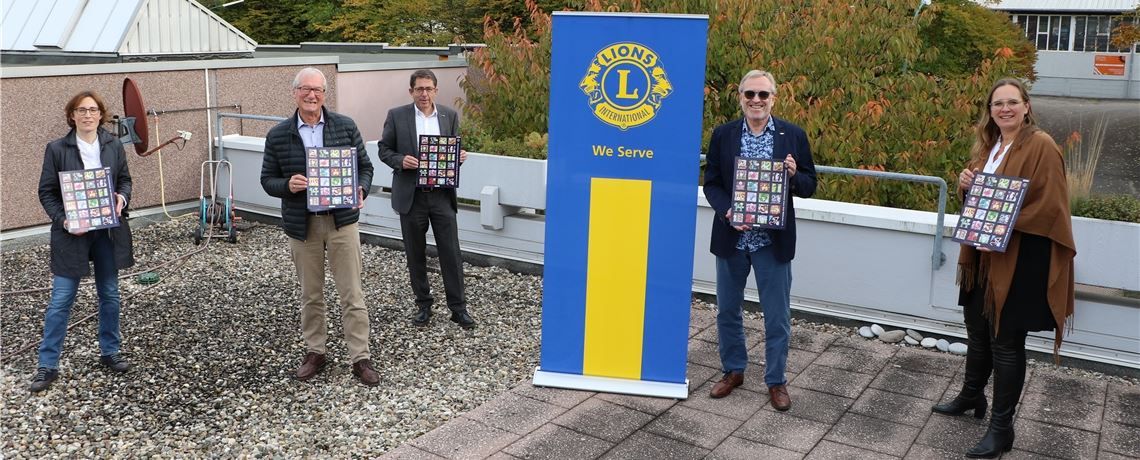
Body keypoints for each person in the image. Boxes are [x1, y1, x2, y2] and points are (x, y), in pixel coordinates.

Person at [932, 78, 1076, 458]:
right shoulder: (991, 145)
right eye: (998, 104)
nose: (1005, 109)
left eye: (1013, 102)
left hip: (1019, 258)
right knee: (977, 330)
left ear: (1027, 106)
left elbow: (1052, 206)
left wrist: (1000, 220)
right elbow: (980, 199)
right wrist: (966, 185)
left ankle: (1002, 428)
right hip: (982, 255)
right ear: (990, 110)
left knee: (1006, 343)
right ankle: (971, 395)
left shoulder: (1041, 145)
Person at [702, 70, 817, 409]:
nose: (756, 100)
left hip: (772, 241)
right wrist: (728, 212)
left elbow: (810, 185)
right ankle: (733, 370)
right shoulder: (723, 135)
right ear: (739, 97)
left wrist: (795, 176)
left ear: (774, 99)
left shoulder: (793, 135)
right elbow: (711, 183)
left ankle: (776, 380)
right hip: (732, 238)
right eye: (750, 94)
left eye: (763, 95)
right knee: (727, 310)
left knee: (777, 315)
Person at [260, 67, 379, 386]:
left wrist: (361, 189)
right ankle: (316, 351)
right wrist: (288, 185)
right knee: (310, 294)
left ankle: (360, 356)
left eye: (318, 90)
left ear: (325, 94)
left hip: (341, 222)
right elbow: (267, 180)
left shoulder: (345, 126)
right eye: (305, 89)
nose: (312, 95)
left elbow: (365, 167)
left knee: (352, 292)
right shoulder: (278, 134)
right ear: (295, 92)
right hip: (303, 225)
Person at [31, 91, 135, 393]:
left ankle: (109, 351)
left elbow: (125, 180)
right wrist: (64, 220)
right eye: (81, 110)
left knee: (110, 294)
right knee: (61, 299)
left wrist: (121, 198)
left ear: (101, 115)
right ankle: (47, 365)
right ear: (72, 116)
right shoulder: (57, 148)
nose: (88, 115)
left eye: (93, 110)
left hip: (106, 232)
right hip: (71, 234)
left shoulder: (113, 145)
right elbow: (46, 192)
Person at [378, 69, 476, 329]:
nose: (424, 93)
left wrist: (459, 158)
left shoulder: (449, 115)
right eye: (419, 89)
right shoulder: (397, 116)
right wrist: (401, 161)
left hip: (441, 195)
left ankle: (458, 308)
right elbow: (383, 149)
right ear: (411, 91)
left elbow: (451, 151)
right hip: (412, 196)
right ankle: (423, 305)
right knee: (415, 253)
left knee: (451, 253)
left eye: (428, 88)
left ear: (436, 90)